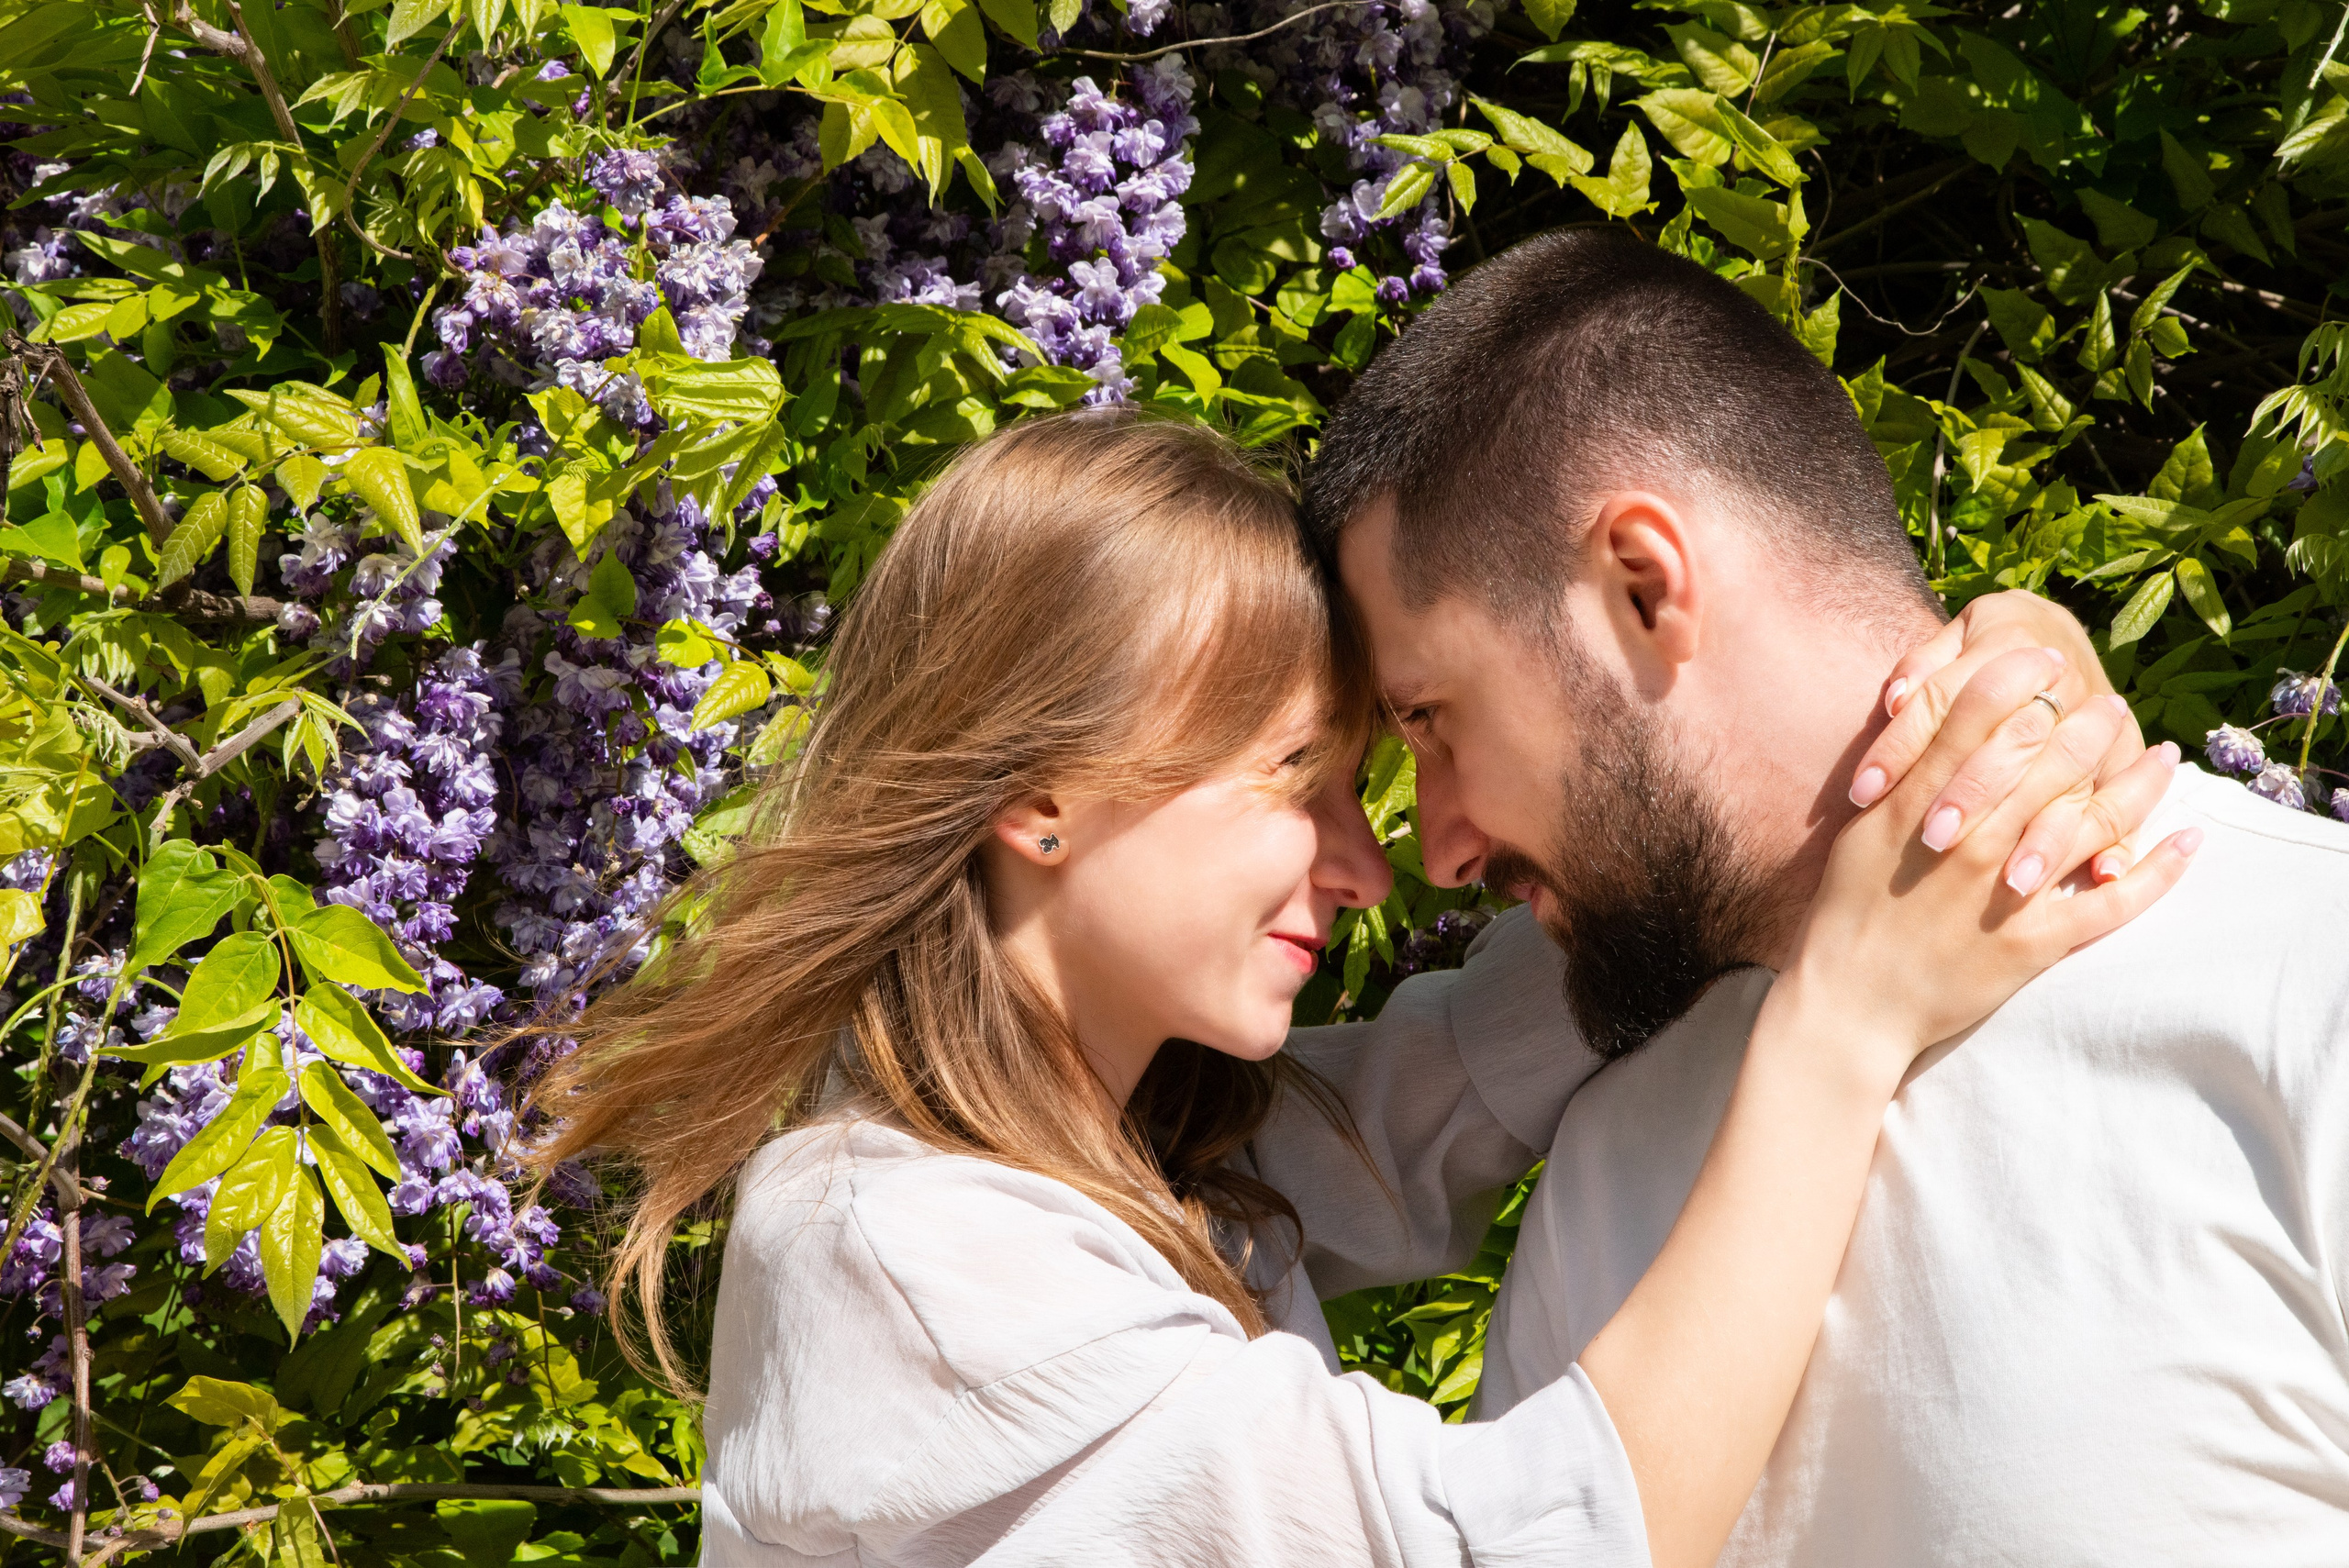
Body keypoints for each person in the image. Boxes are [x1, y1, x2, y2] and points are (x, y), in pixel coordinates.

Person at [525, 412, 2190, 1568]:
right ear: (1040, 797)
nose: (1367, 864)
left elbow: (1443, 1083)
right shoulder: (902, 1242)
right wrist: (1844, 1024)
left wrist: (1957, 704)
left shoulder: (1113, 1151)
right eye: (1293, 779)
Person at [1292, 228, 2349, 1566]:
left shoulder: (2310, 983)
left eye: (1433, 718)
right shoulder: (1613, 1165)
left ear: (1641, 585)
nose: (1436, 850)